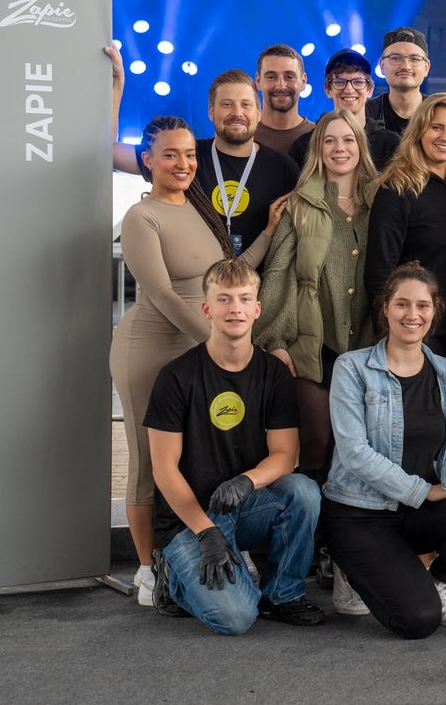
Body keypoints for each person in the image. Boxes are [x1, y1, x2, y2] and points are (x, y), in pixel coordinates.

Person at [111, 116, 283, 607]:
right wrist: (216, 343)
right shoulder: (141, 217)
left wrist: (269, 232)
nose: (183, 163)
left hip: (199, 345)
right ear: (147, 160)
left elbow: (231, 275)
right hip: (152, 347)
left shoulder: (197, 206)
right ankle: (148, 569)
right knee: (148, 461)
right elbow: (163, 294)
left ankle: (206, 540)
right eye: (170, 154)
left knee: (206, 452)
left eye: (189, 154)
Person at [321, 262, 446, 639]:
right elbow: (354, 452)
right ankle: (350, 568)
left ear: (434, 311)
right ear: (385, 308)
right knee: (419, 621)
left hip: (415, 514)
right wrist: (423, 491)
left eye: (422, 305)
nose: (413, 314)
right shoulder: (352, 367)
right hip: (360, 513)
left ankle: (440, 581)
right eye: (402, 304)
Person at [146, 259, 325, 634]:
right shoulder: (176, 377)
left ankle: (282, 595)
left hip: (243, 504)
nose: (236, 308)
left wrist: (246, 481)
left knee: (303, 492)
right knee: (236, 617)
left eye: (245, 299)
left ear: (257, 309)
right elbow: (164, 470)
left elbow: (285, 455)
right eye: (224, 299)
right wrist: (206, 531)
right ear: (207, 309)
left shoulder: (273, 374)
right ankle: (172, 576)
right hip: (189, 519)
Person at [255, 109, 378, 483]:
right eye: (329, 140)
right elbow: (278, 271)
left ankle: (351, 536)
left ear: (361, 145)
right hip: (314, 346)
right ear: (318, 149)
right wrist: (274, 340)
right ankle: (312, 536)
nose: (339, 148)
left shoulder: (383, 199)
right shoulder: (300, 203)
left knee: (362, 449)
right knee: (316, 445)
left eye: (347, 140)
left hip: (370, 342)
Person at [366, 93, 446, 472]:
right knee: (422, 443)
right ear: (419, 131)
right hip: (421, 339)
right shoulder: (398, 188)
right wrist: (400, 340)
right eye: (437, 127)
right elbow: (380, 274)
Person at [110, 60, 299, 257]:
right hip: (194, 285)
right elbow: (111, 153)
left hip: (261, 285)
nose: (237, 113)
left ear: (258, 113)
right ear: (211, 111)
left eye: (246, 105)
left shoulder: (283, 168)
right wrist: (117, 86)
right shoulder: (186, 158)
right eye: (227, 104)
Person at [290, 48, 399, 170]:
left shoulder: (391, 145)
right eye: (340, 82)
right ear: (327, 90)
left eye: (358, 82)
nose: (349, 89)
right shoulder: (305, 146)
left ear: (370, 90)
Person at [366, 26, 430, 135]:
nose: (405, 66)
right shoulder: (365, 113)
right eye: (395, 58)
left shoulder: (438, 112)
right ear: (382, 66)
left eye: (414, 59)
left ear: (426, 67)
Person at [253, 44, 315, 156]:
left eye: (289, 77)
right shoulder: (243, 136)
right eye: (271, 77)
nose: (281, 86)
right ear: (258, 81)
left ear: (303, 82)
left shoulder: (319, 136)